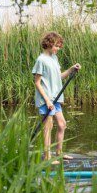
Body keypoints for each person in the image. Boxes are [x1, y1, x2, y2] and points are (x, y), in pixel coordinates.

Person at [32, 32, 81, 163]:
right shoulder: (41, 60)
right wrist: (47, 100)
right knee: (48, 127)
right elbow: (37, 82)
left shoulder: (54, 58)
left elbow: (59, 76)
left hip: (56, 98)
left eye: (59, 46)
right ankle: (48, 157)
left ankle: (59, 153)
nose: (58, 49)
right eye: (57, 46)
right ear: (49, 44)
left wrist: (71, 69)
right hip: (46, 100)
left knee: (62, 124)